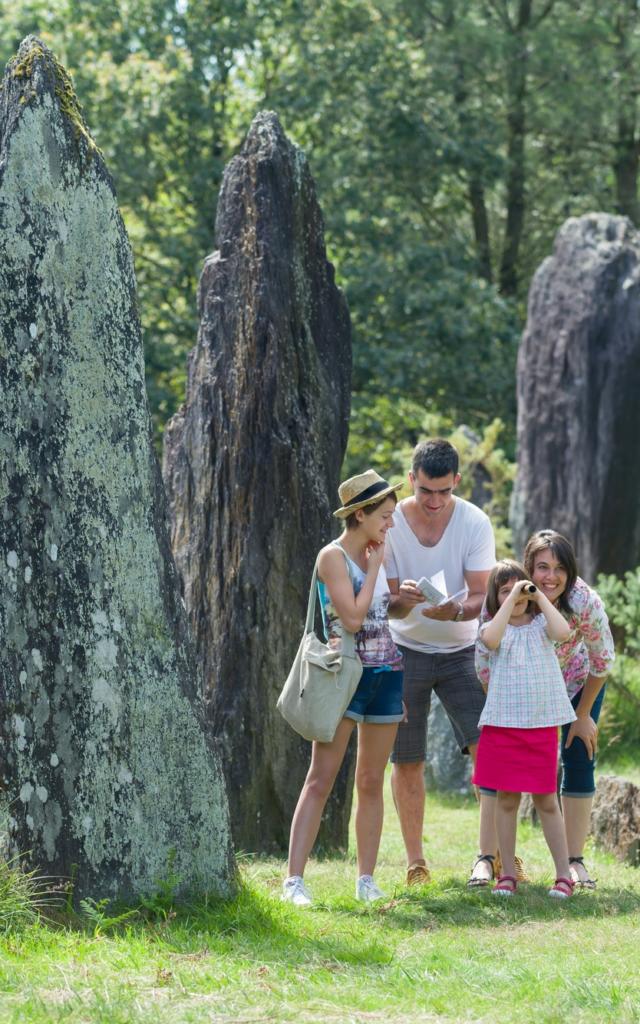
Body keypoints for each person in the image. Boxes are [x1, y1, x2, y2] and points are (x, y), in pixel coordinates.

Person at [282, 470, 405, 907]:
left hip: (386, 672)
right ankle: (294, 880)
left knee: (371, 780)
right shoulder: (332, 557)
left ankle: (366, 880)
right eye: (385, 516)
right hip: (344, 675)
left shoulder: (374, 554)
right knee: (322, 778)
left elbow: (378, 612)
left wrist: (403, 592)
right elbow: (351, 619)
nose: (390, 523)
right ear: (360, 514)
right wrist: (374, 570)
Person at [384, 439, 496, 886]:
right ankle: (416, 862)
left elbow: (480, 596)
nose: (434, 502)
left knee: (486, 748)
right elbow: (387, 605)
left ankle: (493, 854)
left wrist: (457, 611)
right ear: (411, 479)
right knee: (406, 759)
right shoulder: (390, 523)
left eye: (443, 493)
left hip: (462, 649)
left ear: (457, 483)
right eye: (426, 491)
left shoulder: (474, 521)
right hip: (404, 648)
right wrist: (403, 601)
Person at [475, 530, 615, 889]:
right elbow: (485, 659)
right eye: (541, 568)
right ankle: (487, 859)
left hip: (576, 683)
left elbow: (602, 660)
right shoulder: (507, 596)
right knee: (501, 777)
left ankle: (574, 862)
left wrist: (582, 716)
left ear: (570, 572)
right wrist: (501, 705)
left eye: (559, 568)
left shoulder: (583, 600)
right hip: (517, 697)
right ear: (527, 569)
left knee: (579, 756)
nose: (550, 577)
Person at [472, 560, 576, 897]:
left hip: (541, 726)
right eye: (506, 590)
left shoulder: (542, 625)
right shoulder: (493, 627)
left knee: (547, 800)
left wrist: (536, 597)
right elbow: (489, 640)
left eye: (521, 587)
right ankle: (507, 875)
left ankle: (563, 874)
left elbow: (564, 633)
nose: (516, 594)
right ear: (495, 598)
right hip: (504, 726)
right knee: (506, 800)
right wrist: (508, 601)